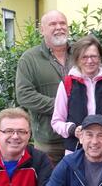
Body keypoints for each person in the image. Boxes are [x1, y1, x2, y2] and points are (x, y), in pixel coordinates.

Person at [16, 10, 71, 164]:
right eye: (53, 24)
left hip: (80, 138)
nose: (59, 27)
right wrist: (62, 106)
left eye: (62, 23)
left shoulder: (80, 55)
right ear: (42, 30)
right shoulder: (29, 59)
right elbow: (24, 95)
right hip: (49, 141)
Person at [51, 34, 102, 154]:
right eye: (84, 57)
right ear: (77, 59)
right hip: (76, 150)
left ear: (100, 58)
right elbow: (56, 122)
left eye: (94, 56)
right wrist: (72, 130)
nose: (90, 61)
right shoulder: (68, 83)